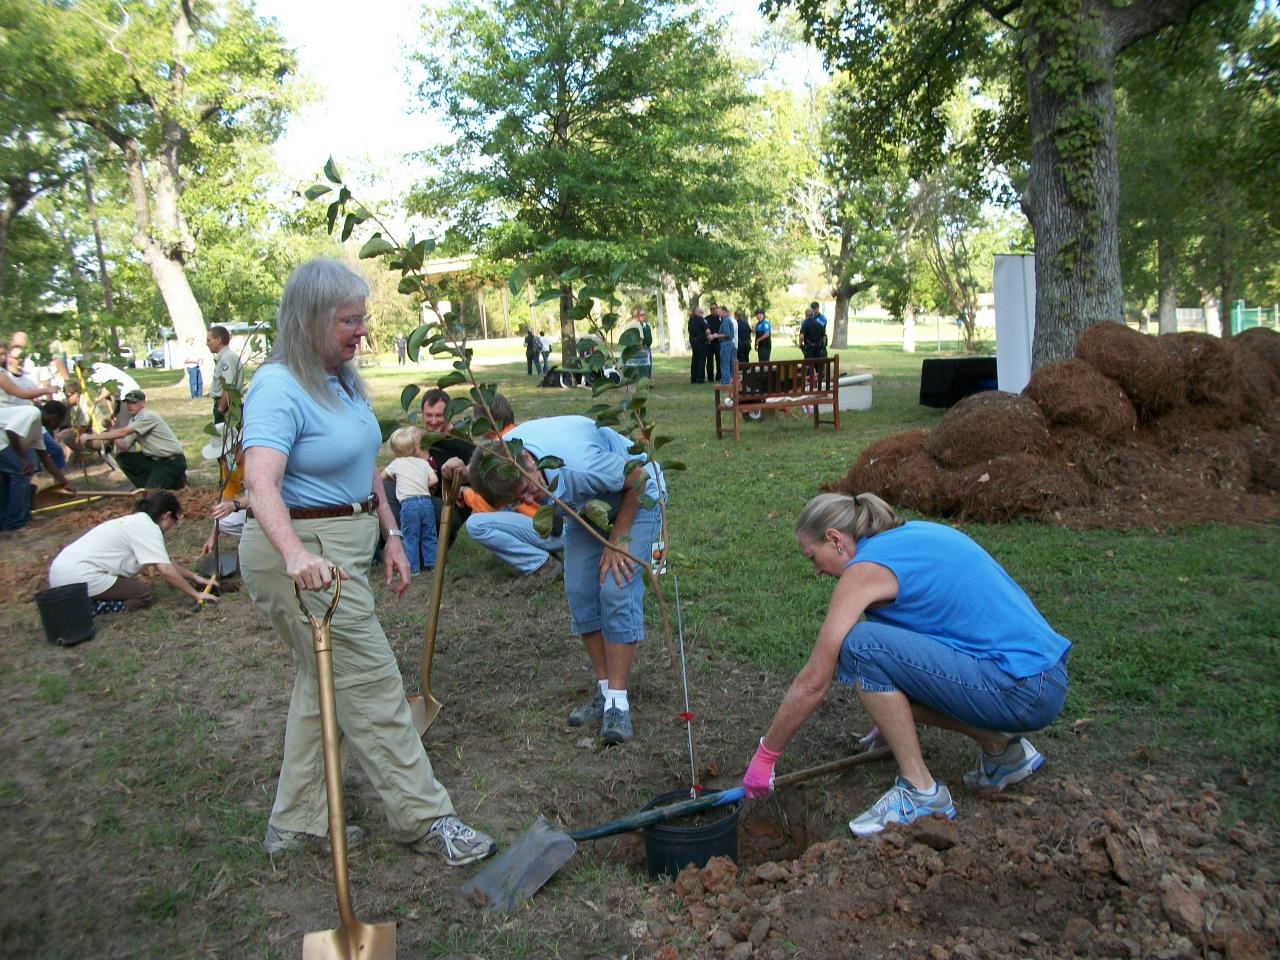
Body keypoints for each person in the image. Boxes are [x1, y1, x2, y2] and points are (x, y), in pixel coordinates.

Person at [239, 257, 495, 864]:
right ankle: (426, 817)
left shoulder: (342, 380)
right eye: (348, 321)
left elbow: (365, 469)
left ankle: (297, 824)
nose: (361, 331)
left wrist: (392, 534)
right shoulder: (279, 386)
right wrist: (297, 554)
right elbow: (260, 484)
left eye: (362, 319)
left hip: (347, 544)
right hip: (300, 556)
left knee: (322, 683)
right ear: (310, 319)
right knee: (374, 684)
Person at [741, 492, 1070, 836]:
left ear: (835, 539)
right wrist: (889, 717)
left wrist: (766, 755)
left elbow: (814, 681)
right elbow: (923, 631)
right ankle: (1002, 750)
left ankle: (921, 792)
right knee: (877, 656)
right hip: (1041, 678)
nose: (816, 571)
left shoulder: (865, 570)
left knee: (860, 646)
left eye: (813, 556)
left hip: (1021, 687)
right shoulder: (907, 537)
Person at [464, 415, 666, 745]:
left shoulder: (579, 463)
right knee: (579, 591)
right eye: (518, 501)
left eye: (527, 489)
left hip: (638, 496)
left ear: (527, 460)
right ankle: (604, 692)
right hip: (587, 506)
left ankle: (618, 702)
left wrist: (618, 538)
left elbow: (639, 479)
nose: (530, 501)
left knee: (616, 586)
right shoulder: (506, 456)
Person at [48, 491, 216, 612]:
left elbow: (163, 562)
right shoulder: (149, 528)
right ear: (167, 516)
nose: (173, 526)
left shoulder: (136, 521)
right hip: (78, 577)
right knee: (143, 594)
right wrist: (196, 595)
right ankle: (92, 607)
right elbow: (166, 571)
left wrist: (194, 577)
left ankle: (85, 600)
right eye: (175, 520)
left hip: (61, 571)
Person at [459, 394, 563, 583]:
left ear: (482, 424)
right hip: (571, 522)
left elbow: (489, 505)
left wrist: (465, 493)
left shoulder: (502, 451)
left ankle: (541, 564)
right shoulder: (525, 438)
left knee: (476, 524)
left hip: (556, 528)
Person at [78, 390, 188, 490]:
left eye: (134, 403)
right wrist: (111, 428)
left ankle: (161, 485)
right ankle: (149, 485)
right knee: (123, 458)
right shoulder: (133, 421)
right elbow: (125, 446)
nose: (130, 406)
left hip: (171, 461)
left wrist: (91, 436)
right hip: (154, 460)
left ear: (143, 403)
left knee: (152, 494)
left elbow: (123, 432)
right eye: (128, 403)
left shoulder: (148, 416)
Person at [1, 401, 76, 531]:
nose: (60, 425)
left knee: (7, 481)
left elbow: (45, 457)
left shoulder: (36, 429)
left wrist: (64, 482)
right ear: (55, 417)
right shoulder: (33, 412)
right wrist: (23, 458)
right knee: (21, 474)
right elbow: (11, 431)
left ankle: (5, 520)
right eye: (61, 421)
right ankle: (17, 522)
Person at [381, 426, 438, 576]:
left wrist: (396, 479)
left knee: (410, 536)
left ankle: (413, 568)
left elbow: (381, 477)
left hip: (409, 505)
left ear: (394, 450)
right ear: (414, 447)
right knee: (429, 534)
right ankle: (433, 565)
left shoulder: (397, 463)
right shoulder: (423, 463)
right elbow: (434, 479)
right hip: (426, 502)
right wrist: (421, 485)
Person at [207, 325, 243, 425]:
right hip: (226, 405)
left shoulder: (227, 358)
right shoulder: (225, 357)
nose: (207, 343)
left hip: (228, 406)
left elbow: (229, 387)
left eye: (209, 340)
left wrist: (220, 410)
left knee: (225, 439)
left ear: (218, 340)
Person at [687, 307, 709, 384]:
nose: (702, 314)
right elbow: (707, 330)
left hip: (693, 342)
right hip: (701, 342)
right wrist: (709, 337)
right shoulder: (701, 320)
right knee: (701, 360)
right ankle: (700, 378)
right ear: (698, 312)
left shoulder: (690, 320)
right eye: (701, 312)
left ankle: (693, 378)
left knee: (694, 360)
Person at [716, 305, 737, 385]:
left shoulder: (725, 321)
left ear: (724, 312)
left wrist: (716, 335)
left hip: (726, 344)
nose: (718, 314)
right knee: (732, 364)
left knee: (725, 363)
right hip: (731, 344)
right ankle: (732, 381)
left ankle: (726, 382)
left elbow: (727, 334)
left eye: (720, 312)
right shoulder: (729, 320)